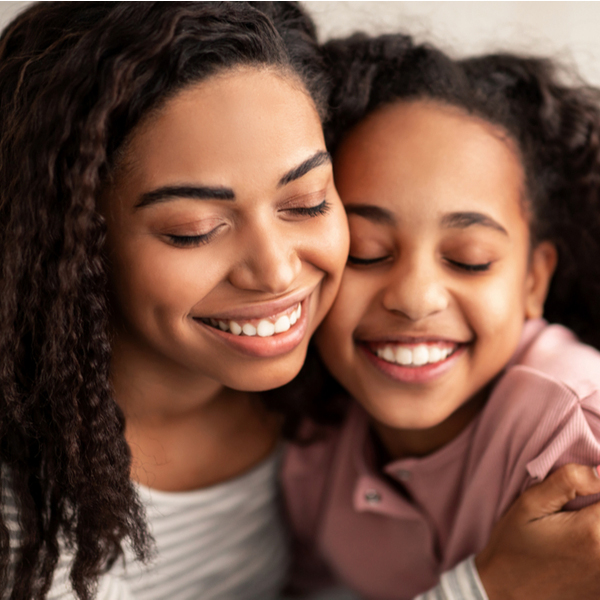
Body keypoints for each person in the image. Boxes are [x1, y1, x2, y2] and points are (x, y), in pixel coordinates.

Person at [0, 3, 598, 600]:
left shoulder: (332, 390)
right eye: (194, 227)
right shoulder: (26, 516)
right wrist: (484, 589)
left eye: (308, 202)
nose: (277, 271)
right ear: (74, 242)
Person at [281, 34, 600, 600]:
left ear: (533, 280)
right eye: (367, 251)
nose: (416, 296)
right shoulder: (312, 457)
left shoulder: (572, 427)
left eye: (468, 260)